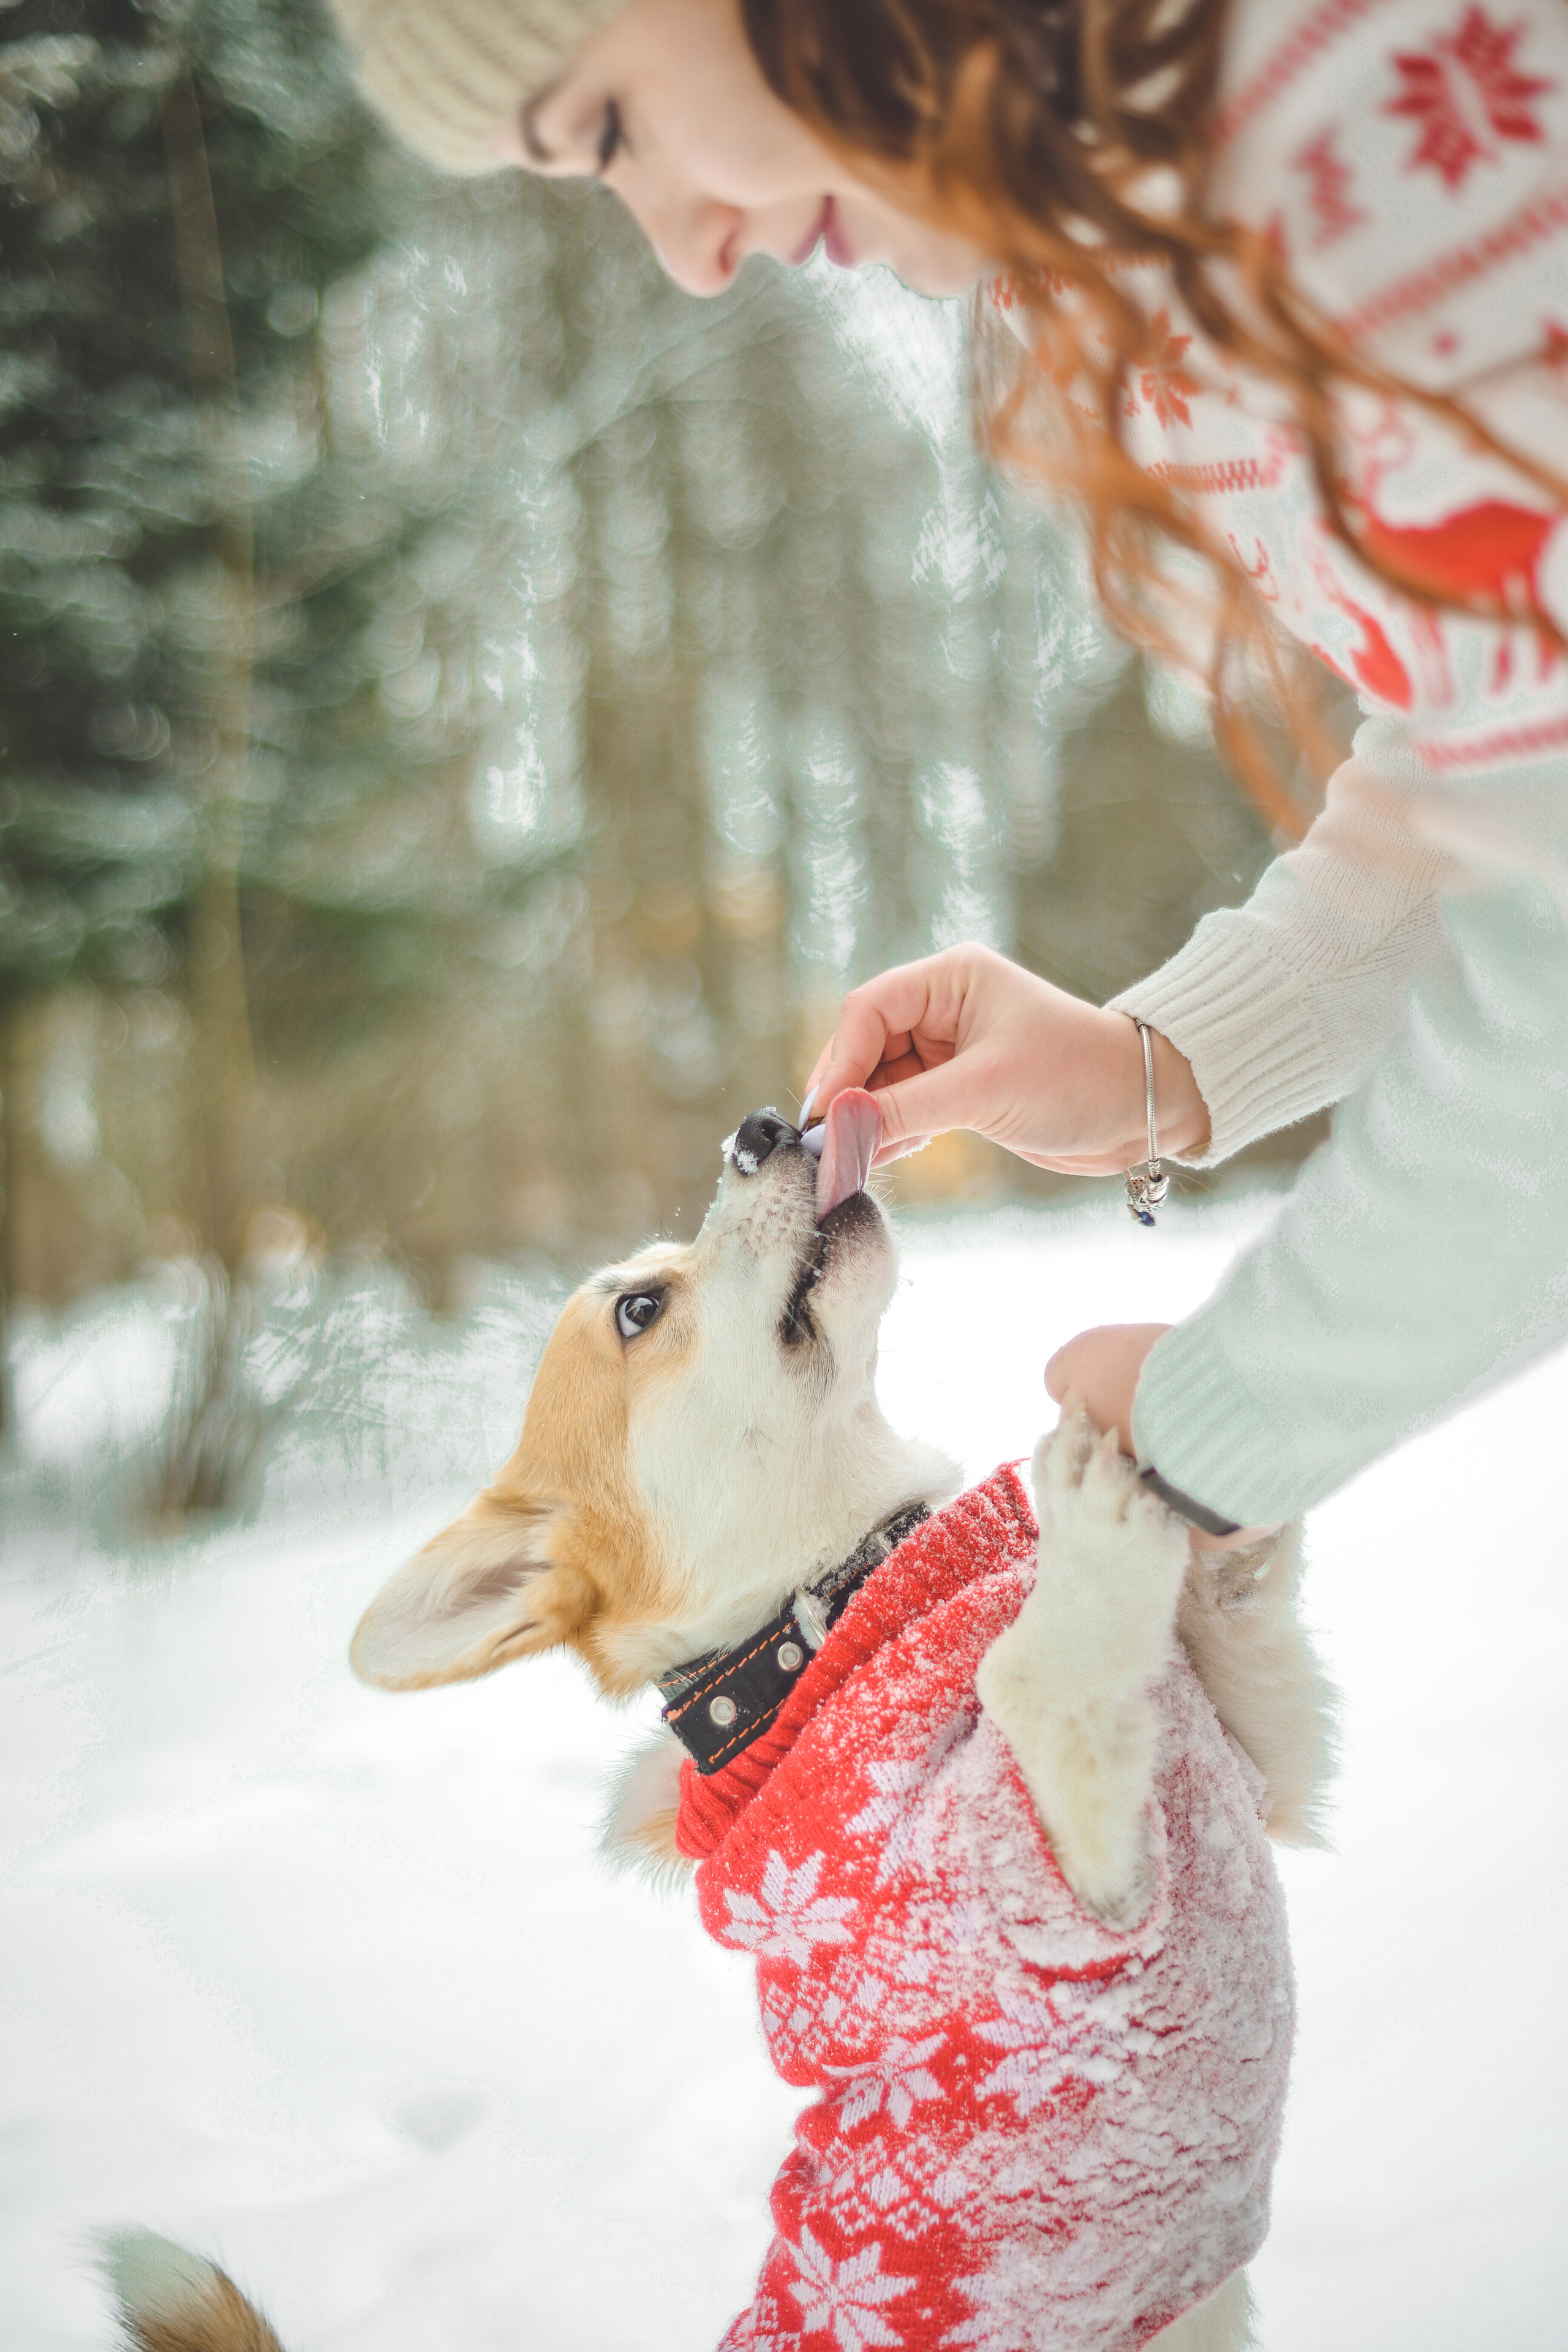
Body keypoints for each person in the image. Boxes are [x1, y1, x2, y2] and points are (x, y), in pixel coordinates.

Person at [330, 0, 1568, 1544]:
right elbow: (1510, 750)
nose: (686, 254)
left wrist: (1235, 1415)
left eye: (609, 130)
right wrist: (1160, 1065)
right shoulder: (1150, 225)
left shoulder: (1343, 113)